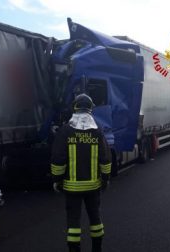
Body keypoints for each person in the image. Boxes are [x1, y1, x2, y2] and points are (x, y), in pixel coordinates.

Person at [50, 94, 112, 252]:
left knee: (73, 223)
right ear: (91, 108)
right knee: (95, 220)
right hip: (93, 187)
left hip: (71, 188)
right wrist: (105, 179)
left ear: (75, 107)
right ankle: (97, 249)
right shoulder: (97, 131)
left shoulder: (65, 131)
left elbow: (58, 159)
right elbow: (105, 158)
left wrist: (57, 180)